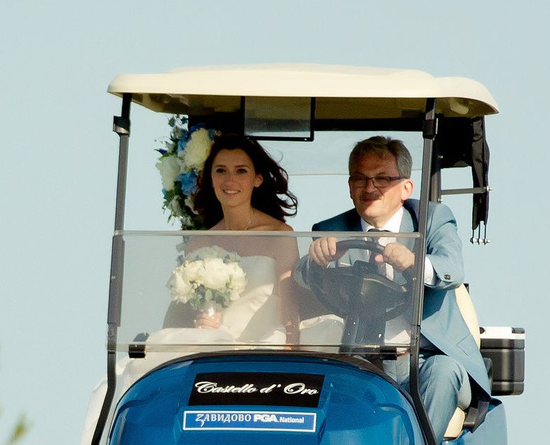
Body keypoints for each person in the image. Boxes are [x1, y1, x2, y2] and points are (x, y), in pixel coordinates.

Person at [303, 134, 487, 428]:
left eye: (382, 179)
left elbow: (451, 268)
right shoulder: (331, 229)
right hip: (360, 362)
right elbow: (301, 281)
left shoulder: (432, 219)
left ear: (405, 188)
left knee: (443, 373)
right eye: (360, 179)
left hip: (424, 359)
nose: (370, 188)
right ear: (350, 187)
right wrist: (315, 259)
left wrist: (415, 262)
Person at [177, 132, 300, 343]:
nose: (230, 180)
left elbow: (290, 308)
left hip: (266, 345)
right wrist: (201, 321)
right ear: (211, 179)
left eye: (240, 171)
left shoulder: (280, 235)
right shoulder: (199, 243)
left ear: (257, 179)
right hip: (213, 346)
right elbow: (187, 311)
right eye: (221, 171)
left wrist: (289, 349)